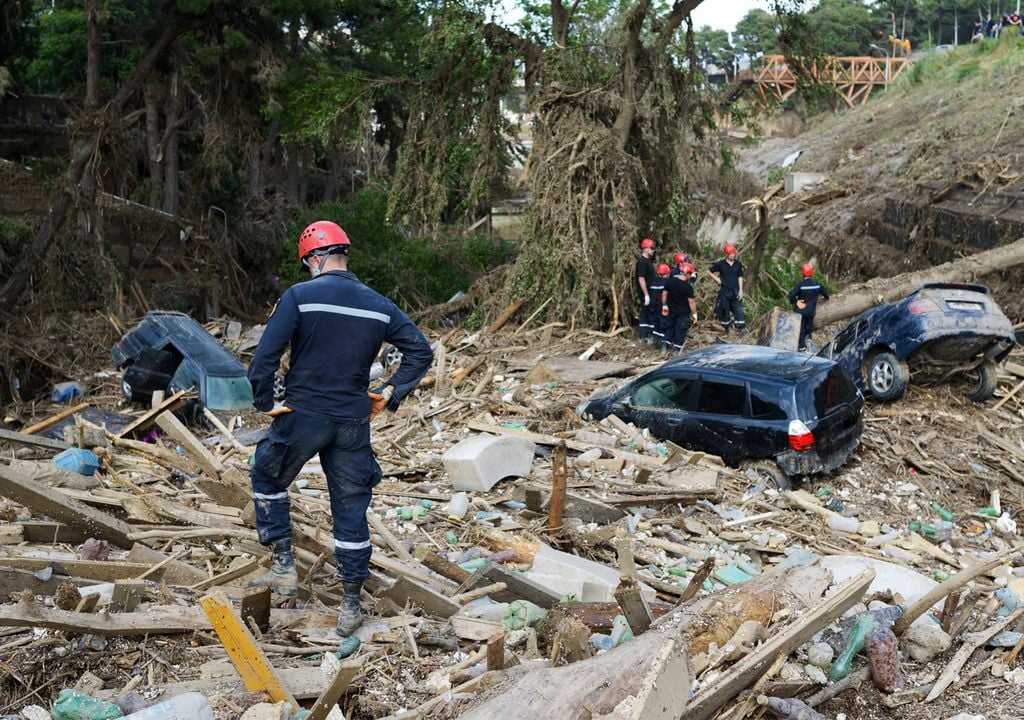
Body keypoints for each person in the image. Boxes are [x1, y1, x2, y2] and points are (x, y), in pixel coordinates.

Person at [246, 220, 433, 636]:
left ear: (314, 258)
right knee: (350, 507)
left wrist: (266, 403)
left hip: (303, 414)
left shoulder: (299, 296)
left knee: (267, 476)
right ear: (343, 253)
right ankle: (350, 604)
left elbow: (263, 360)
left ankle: (283, 567)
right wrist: (389, 392)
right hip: (353, 420)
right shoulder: (379, 304)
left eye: (307, 262)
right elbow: (420, 351)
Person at [788, 263, 830, 352]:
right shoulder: (817, 285)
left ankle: (801, 347)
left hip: (801, 311)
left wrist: (796, 301)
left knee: (801, 329)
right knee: (808, 328)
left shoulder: (800, 285)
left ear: (802, 274)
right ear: (812, 274)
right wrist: (825, 297)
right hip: (811, 312)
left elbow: (791, 296)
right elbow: (826, 294)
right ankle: (809, 342)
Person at [707, 243, 745, 336]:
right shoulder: (721, 264)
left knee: (738, 310)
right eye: (731, 253)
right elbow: (708, 271)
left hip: (735, 290)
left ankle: (741, 329)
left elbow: (740, 277)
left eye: (734, 253)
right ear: (727, 254)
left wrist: (740, 290)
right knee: (725, 310)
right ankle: (725, 329)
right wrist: (717, 279)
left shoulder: (738, 264)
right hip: (724, 291)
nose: (733, 255)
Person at [661, 263, 698, 355]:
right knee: (680, 329)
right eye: (691, 273)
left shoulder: (670, 282)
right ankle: (677, 349)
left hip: (671, 310)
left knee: (670, 327)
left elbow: (664, 294)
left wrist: (664, 305)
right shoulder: (687, 287)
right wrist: (694, 313)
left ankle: (665, 345)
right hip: (683, 312)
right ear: (687, 274)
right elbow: (691, 302)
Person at [635, 238, 659, 343]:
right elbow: (641, 279)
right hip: (646, 293)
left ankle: (646, 335)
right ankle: (645, 335)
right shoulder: (642, 262)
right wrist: (646, 295)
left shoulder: (647, 261)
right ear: (645, 249)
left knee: (648, 313)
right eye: (652, 248)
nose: (654, 251)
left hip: (651, 292)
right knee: (648, 313)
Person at [650, 263, 671, 349]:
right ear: (666, 273)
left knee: (656, 323)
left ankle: (655, 342)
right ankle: (663, 343)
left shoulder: (654, 281)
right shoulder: (666, 283)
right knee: (664, 323)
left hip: (654, 306)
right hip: (663, 306)